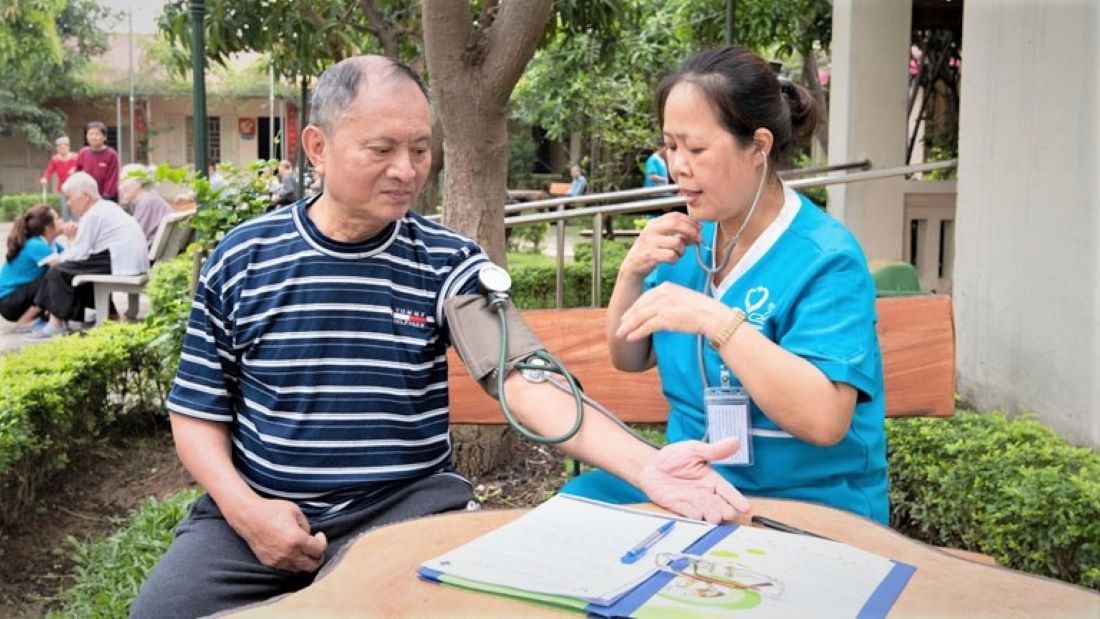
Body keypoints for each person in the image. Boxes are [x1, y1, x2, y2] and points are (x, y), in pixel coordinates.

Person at [130, 55, 747, 619]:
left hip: (405, 509)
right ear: (317, 146)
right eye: (382, 149)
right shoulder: (243, 259)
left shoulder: (447, 263)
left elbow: (523, 379)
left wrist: (647, 466)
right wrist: (245, 510)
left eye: (421, 149)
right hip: (254, 511)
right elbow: (197, 413)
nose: (406, 170)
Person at [561, 46, 888, 523]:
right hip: (691, 486)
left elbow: (824, 421)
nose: (678, 166)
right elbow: (628, 356)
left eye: (695, 149)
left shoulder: (826, 258)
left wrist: (717, 321)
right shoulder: (687, 240)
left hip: (808, 501)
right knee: (574, 507)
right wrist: (632, 273)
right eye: (671, 146)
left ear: (758, 146)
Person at [29, 172, 148, 338]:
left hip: (119, 260)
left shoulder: (93, 214)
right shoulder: (106, 207)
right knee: (73, 269)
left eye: (70, 197)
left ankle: (55, 324)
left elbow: (79, 253)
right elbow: (84, 252)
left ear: (85, 196)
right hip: (126, 259)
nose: (68, 203)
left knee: (58, 271)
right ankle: (110, 313)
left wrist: (57, 259)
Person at [0, 205, 64, 332]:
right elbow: (66, 267)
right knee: (54, 277)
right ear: (48, 226)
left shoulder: (54, 245)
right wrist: (72, 238)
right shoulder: (35, 245)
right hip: (9, 302)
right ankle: (24, 321)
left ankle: (39, 318)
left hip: (20, 297)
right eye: (57, 218)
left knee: (56, 276)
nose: (62, 220)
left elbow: (73, 259)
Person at [119, 165, 173, 248]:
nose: (120, 188)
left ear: (138, 183)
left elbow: (134, 237)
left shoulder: (147, 202)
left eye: (122, 182)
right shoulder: (150, 199)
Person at [75, 121, 120, 203]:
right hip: (87, 197)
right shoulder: (83, 152)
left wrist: (106, 196)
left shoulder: (111, 154)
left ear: (104, 137)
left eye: (97, 134)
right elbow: (78, 173)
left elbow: (112, 177)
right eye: (90, 134)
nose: (93, 137)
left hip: (106, 198)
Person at [40, 136, 78, 220]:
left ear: (68, 147)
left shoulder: (76, 158)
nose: (61, 150)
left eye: (63, 148)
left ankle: (78, 225)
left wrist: (76, 170)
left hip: (75, 188)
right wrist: (45, 178)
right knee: (65, 210)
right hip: (63, 188)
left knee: (75, 210)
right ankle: (66, 225)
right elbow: (49, 170)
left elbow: (82, 168)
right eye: (59, 148)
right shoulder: (55, 159)